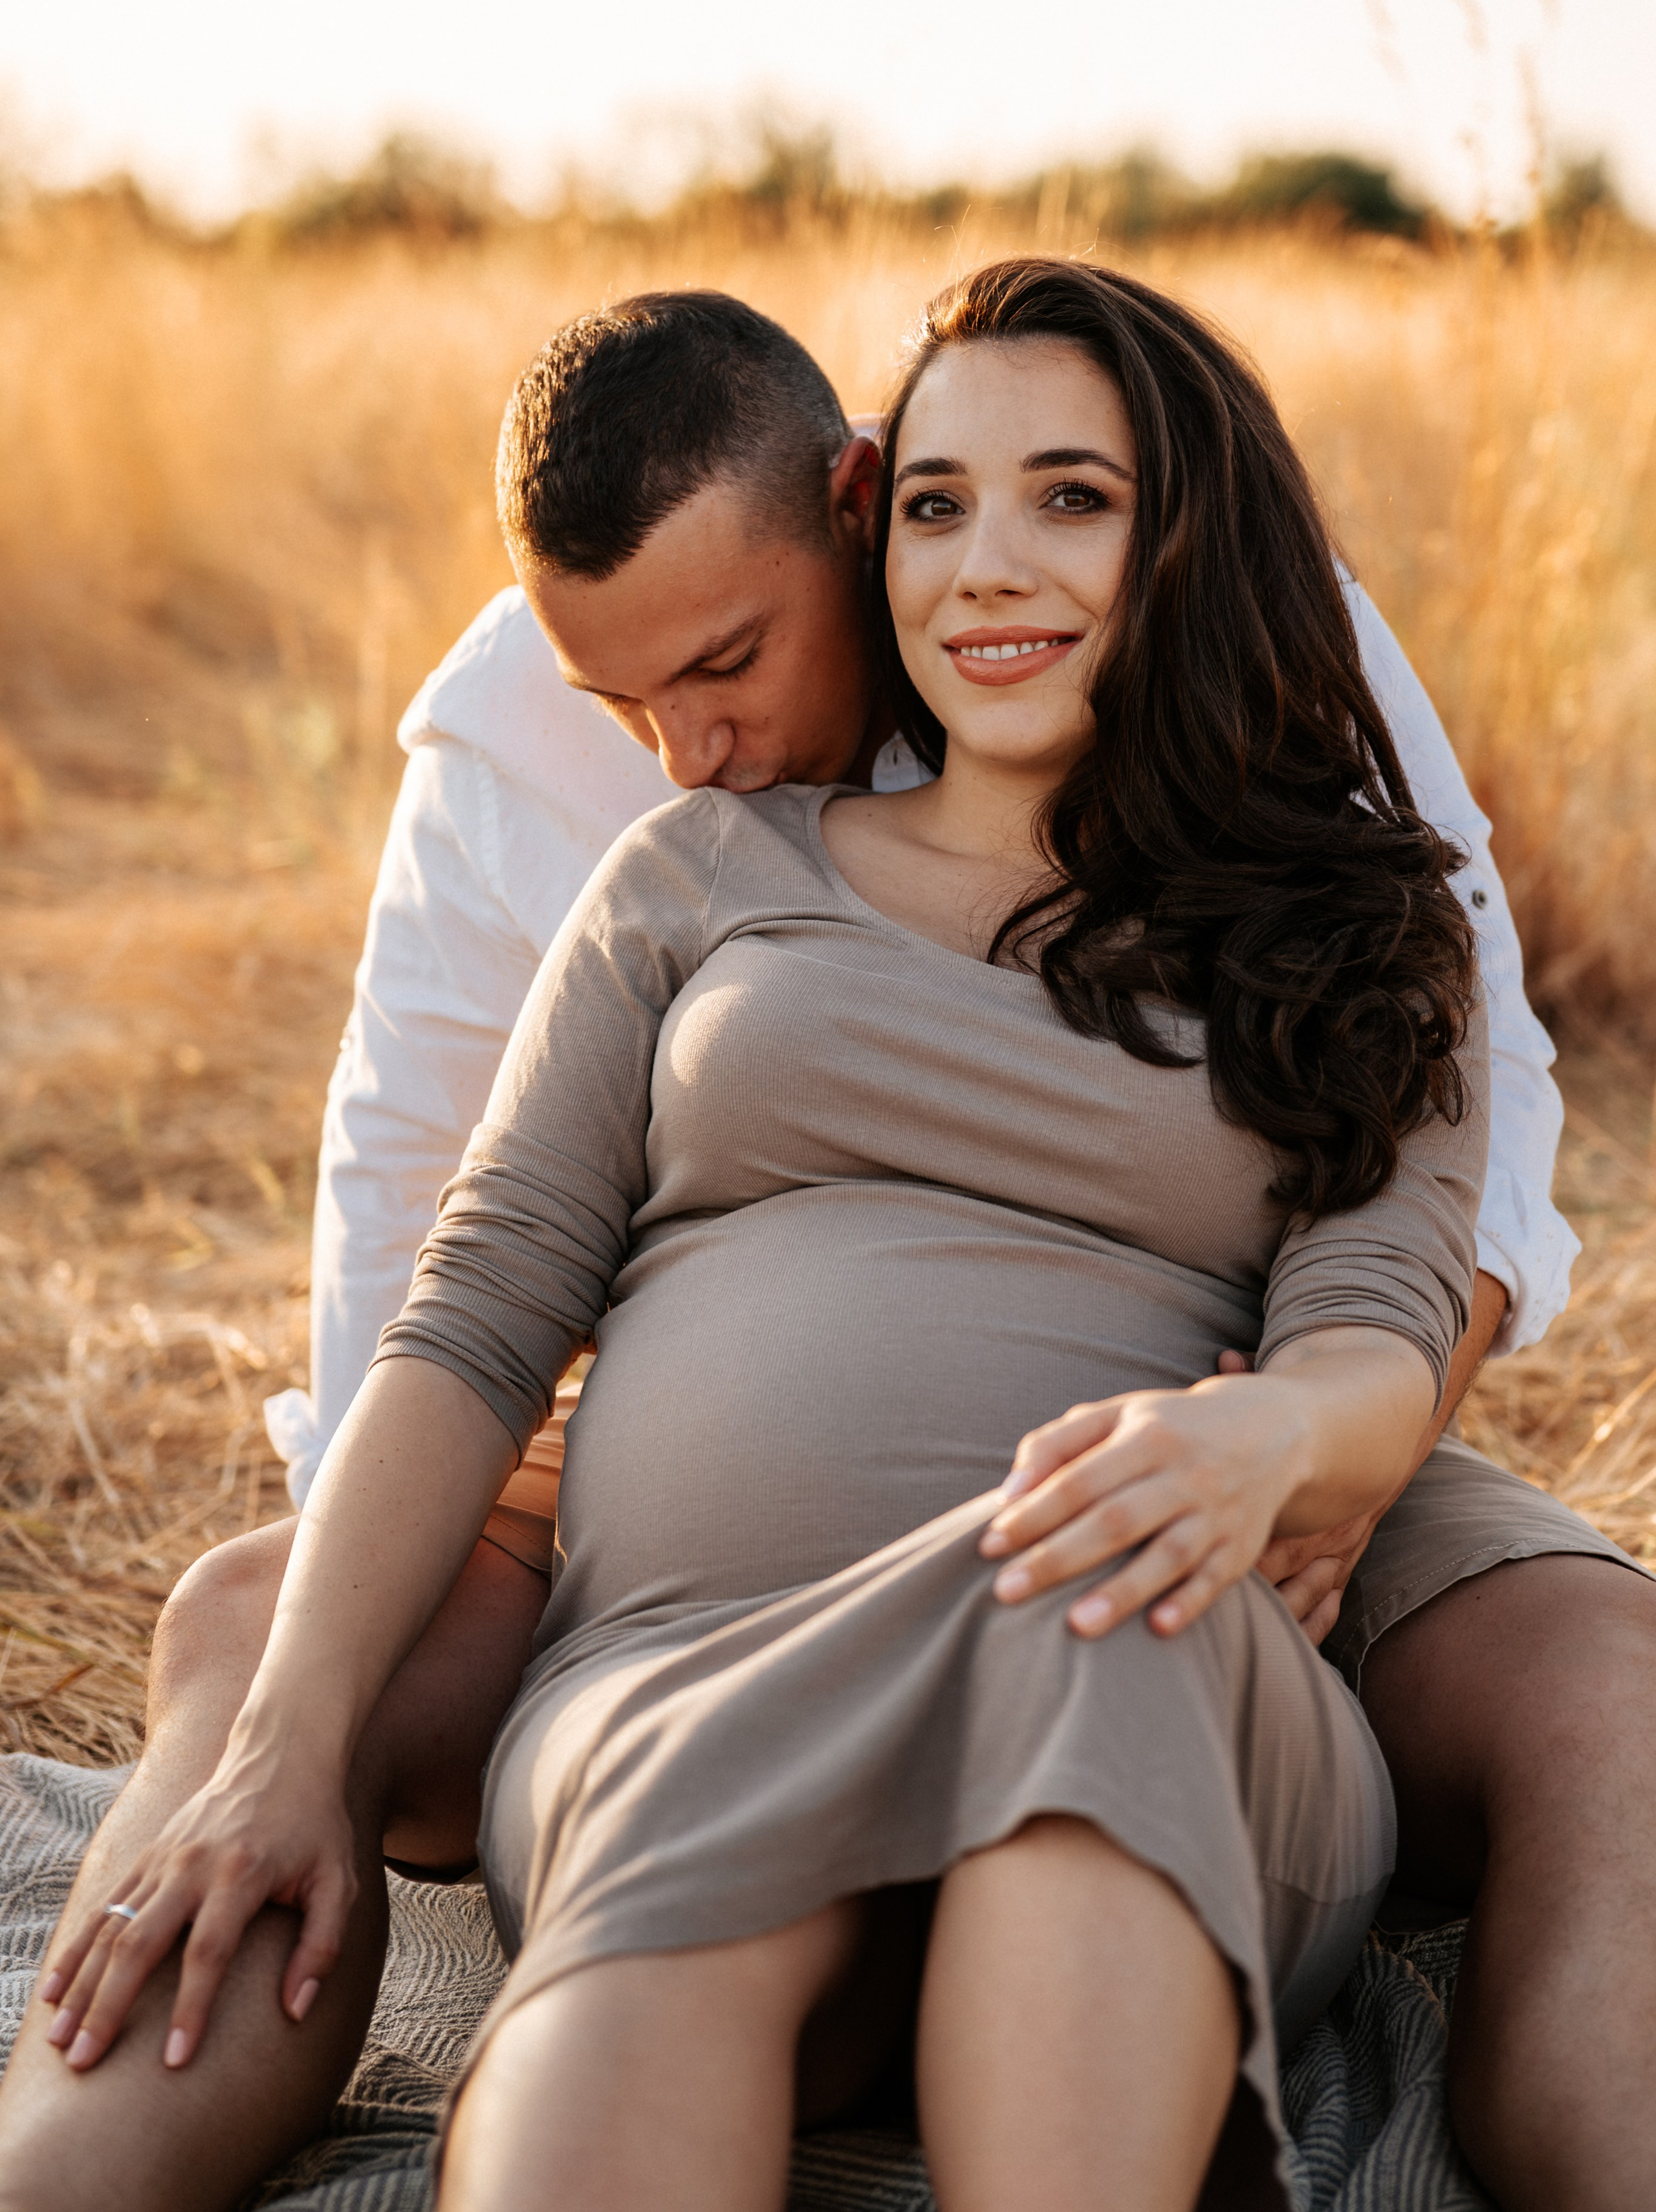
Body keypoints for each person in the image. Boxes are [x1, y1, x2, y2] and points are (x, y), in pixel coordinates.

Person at [0, 281, 1648, 2211]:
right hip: (684, 1651)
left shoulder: (1351, 919)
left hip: (1117, 1580)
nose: (988, 561)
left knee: (1182, 1661)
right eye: (947, 508)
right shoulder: (680, 858)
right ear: (887, 517)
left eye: (1073, 498)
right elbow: (455, 1281)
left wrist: (1285, 1444)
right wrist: (307, 1716)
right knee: (551, 1789)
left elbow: (1400, 1279)